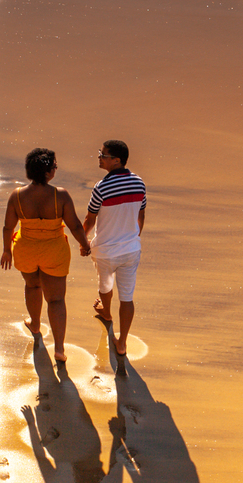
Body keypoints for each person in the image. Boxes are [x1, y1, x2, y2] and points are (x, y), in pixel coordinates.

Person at [1, 148, 92, 363]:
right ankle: (59, 349)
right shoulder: (60, 195)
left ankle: (34, 324)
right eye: (55, 166)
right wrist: (85, 244)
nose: (56, 169)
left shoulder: (17, 195)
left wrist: (6, 250)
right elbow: (76, 226)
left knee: (32, 286)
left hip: (26, 249)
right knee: (56, 299)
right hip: (54, 251)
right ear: (49, 172)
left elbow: (7, 227)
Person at [83, 140, 146, 357]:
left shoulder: (101, 187)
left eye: (103, 154)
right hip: (130, 249)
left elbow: (90, 219)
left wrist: (84, 242)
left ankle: (107, 313)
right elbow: (141, 214)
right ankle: (122, 343)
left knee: (105, 285)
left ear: (116, 160)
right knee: (127, 297)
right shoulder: (139, 183)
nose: (99, 157)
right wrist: (133, 237)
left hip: (106, 251)